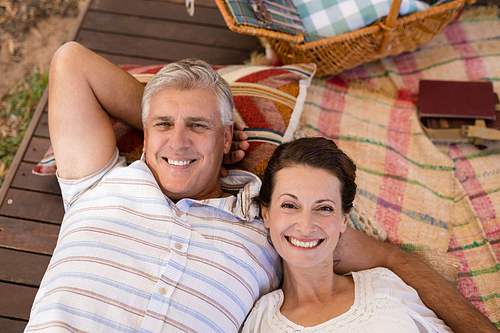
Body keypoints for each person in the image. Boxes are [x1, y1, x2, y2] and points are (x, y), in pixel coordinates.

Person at [24, 41, 498, 333]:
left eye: (200, 125)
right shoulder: (100, 183)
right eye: (163, 123)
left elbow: (392, 258)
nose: (179, 139)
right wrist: (175, 137)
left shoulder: (268, 216)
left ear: (229, 134)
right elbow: (70, 62)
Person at [243, 137, 453, 332]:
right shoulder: (260, 322)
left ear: (344, 219)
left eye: (324, 208)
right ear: (266, 213)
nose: (306, 227)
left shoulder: (386, 286)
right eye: (290, 205)